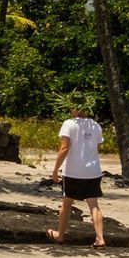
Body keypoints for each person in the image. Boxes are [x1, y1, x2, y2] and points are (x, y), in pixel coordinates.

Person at [48, 95, 108, 248]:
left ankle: (60, 235)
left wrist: (55, 170)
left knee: (66, 203)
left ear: (73, 108)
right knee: (93, 204)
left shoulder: (69, 124)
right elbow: (97, 148)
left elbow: (64, 148)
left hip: (73, 171)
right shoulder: (95, 125)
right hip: (93, 171)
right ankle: (100, 238)